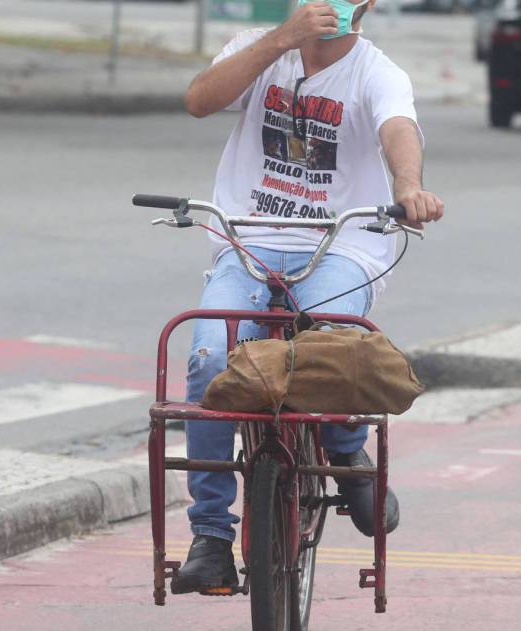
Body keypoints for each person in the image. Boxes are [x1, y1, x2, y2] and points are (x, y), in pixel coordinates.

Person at [174, 0, 444, 593]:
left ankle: (347, 455)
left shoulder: (378, 72)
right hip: (247, 241)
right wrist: (282, 40)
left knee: (330, 343)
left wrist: (410, 188)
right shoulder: (259, 49)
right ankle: (212, 537)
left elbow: (398, 129)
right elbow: (199, 100)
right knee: (210, 360)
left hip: (342, 244)